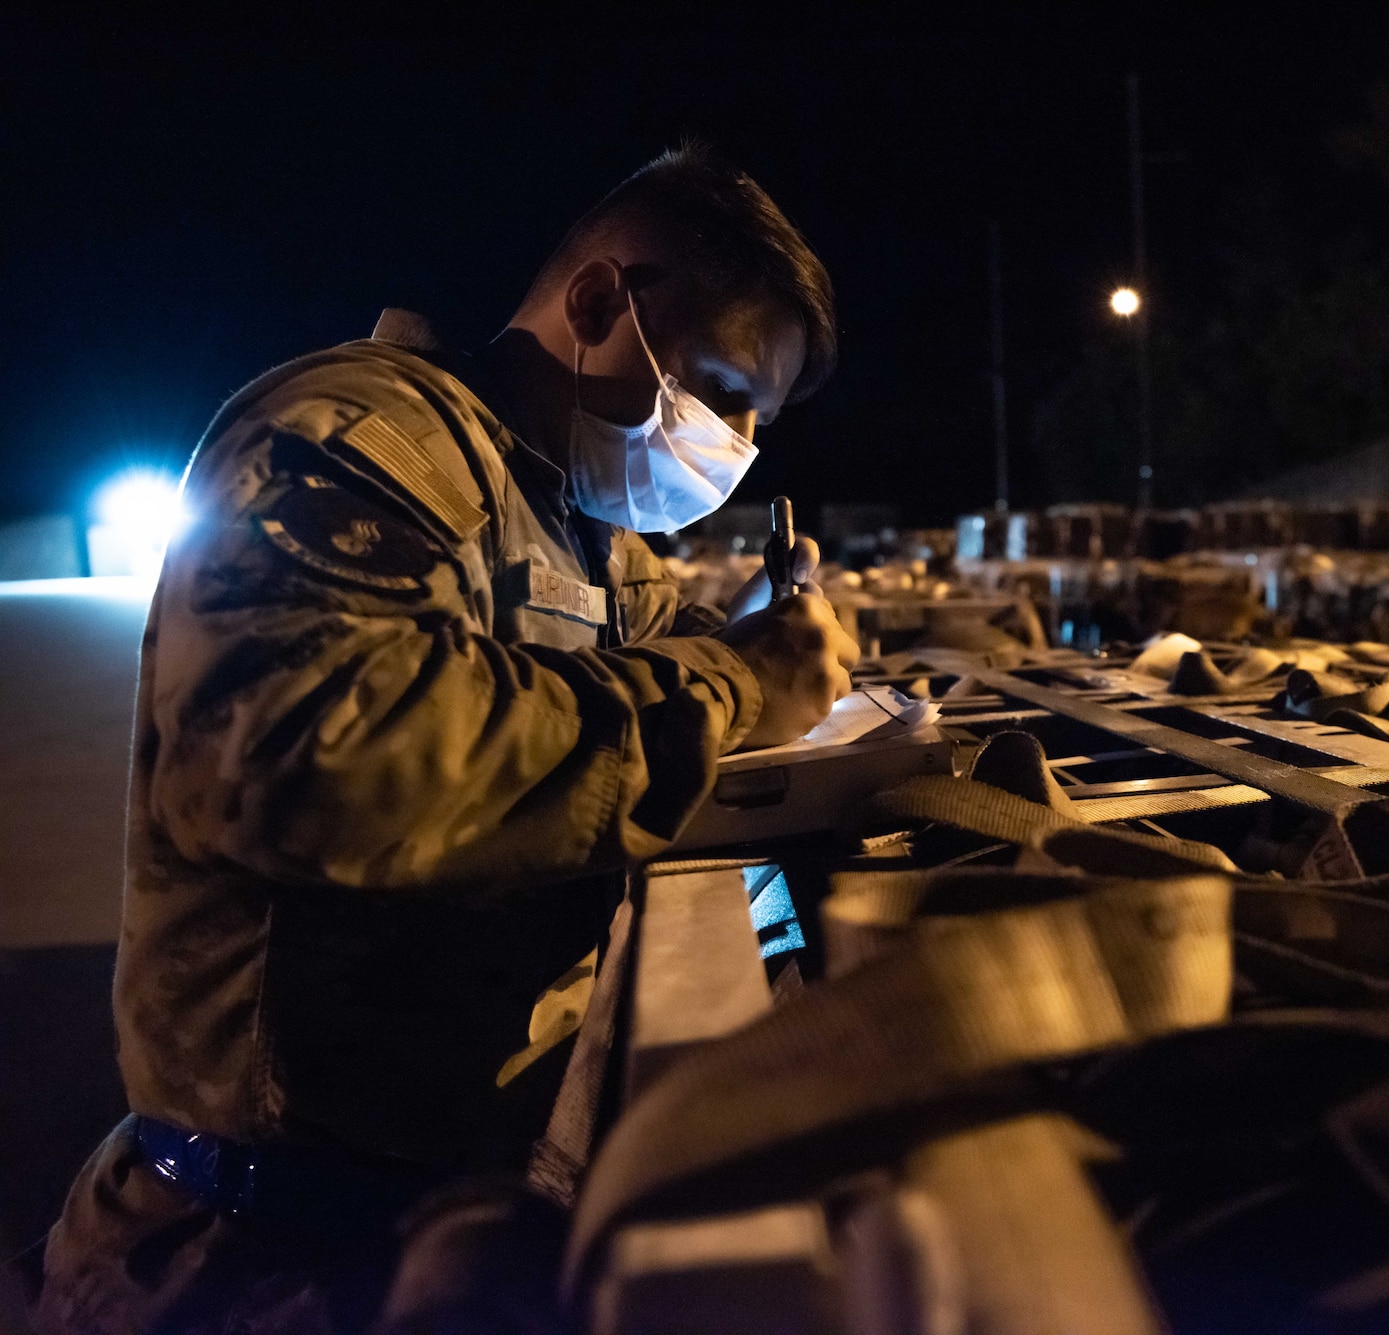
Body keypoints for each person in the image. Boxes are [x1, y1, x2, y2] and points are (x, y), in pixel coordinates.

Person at [35, 142, 859, 1334]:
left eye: (754, 422)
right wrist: (726, 684)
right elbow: (311, 757)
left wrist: (763, 648)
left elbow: (629, 657)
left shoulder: (578, 522)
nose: (730, 445)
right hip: (248, 1255)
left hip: (430, 1225)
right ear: (594, 302)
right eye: (721, 392)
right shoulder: (358, 439)